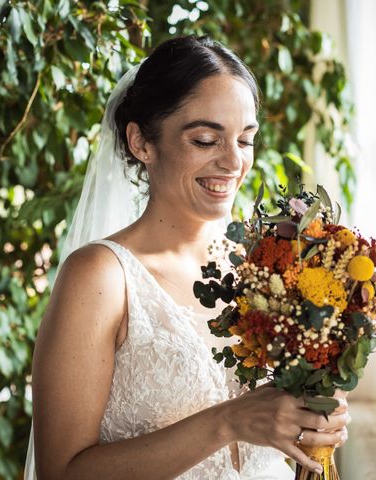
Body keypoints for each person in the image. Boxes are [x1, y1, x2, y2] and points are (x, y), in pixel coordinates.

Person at [24, 35, 350, 480]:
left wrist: (312, 420)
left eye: (246, 139)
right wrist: (228, 421)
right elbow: (60, 473)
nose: (234, 161)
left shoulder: (270, 267)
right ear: (141, 142)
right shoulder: (101, 277)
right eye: (205, 139)